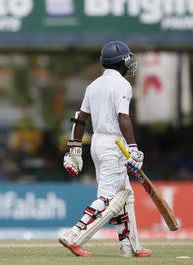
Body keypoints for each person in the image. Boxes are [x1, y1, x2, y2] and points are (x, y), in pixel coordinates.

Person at [59, 40, 152, 257]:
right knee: (109, 198)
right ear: (122, 61)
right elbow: (123, 117)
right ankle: (74, 235)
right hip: (114, 144)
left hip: (97, 143)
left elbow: (81, 119)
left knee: (125, 196)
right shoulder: (122, 85)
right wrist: (133, 147)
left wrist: (75, 150)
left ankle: (130, 247)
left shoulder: (93, 85)